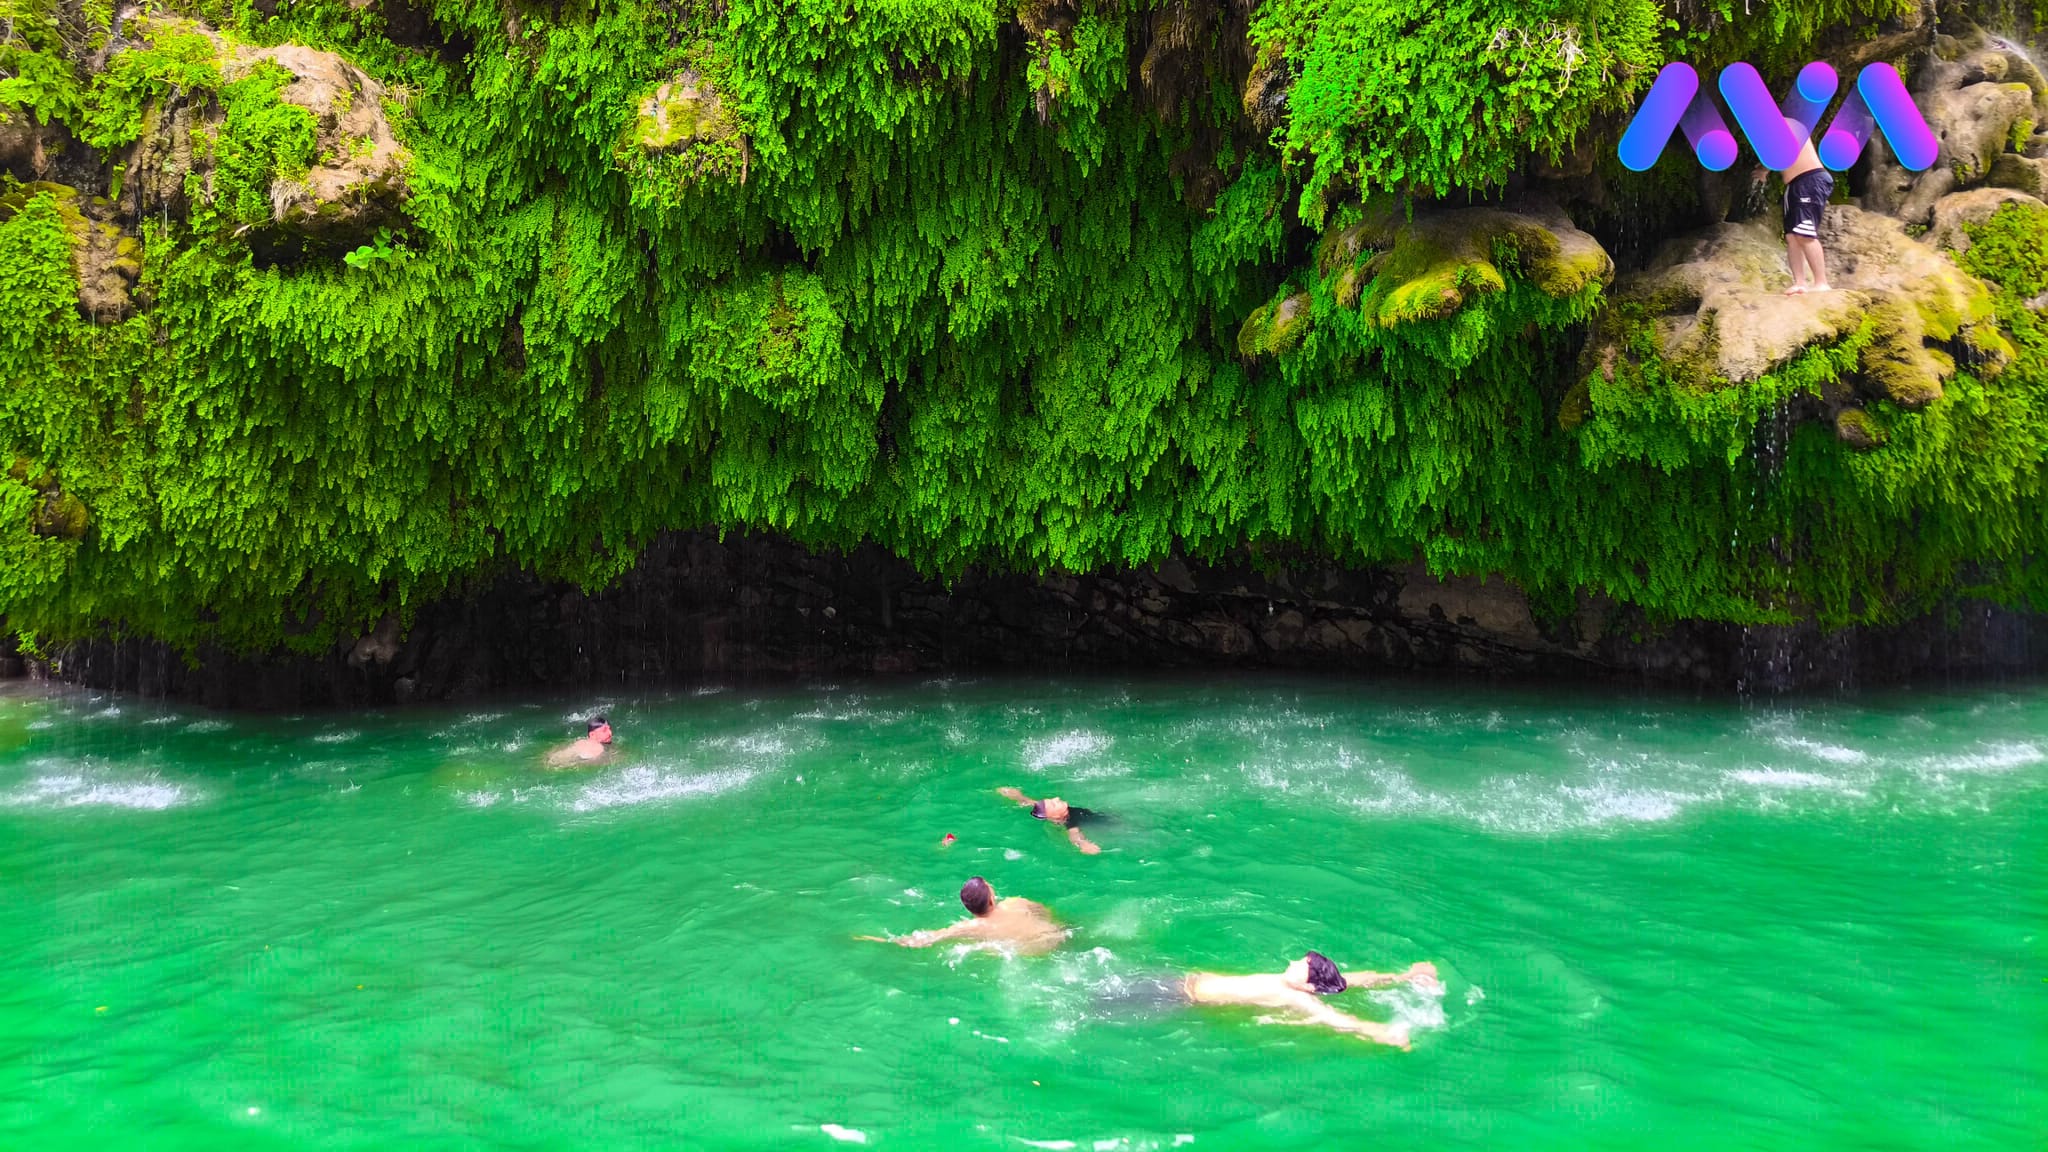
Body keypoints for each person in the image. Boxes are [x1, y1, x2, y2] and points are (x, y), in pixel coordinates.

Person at [1114, 952, 1437, 1049]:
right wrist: (1404, 976)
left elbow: (1338, 1021)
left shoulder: (1297, 998)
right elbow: (1348, 980)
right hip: (1180, 982)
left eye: (1303, 966)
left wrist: (1384, 1033)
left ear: (1309, 987)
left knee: (1101, 1005)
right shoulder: (1298, 984)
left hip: (1177, 998)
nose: (1296, 961)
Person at [858, 876, 1070, 956]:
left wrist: (885, 941)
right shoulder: (1016, 902)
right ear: (991, 900)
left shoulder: (970, 927)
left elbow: (923, 940)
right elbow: (1045, 911)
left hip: (1036, 954)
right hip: (1059, 937)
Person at [1778, 116, 1833, 295]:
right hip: (1795, 185)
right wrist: (1764, 170)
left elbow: (1778, 150)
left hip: (1810, 180)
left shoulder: (1785, 123)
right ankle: (1800, 283)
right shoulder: (1774, 127)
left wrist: (1764, 168)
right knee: (1792, 236)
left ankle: (1821, 282)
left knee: (1804, 232)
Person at [996, 786, 1103, 854]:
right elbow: (1074, 834)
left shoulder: (1048, 811)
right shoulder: (1069, 820)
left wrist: (1017, 796)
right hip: (1104, 822)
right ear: (1056, 816)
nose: (1056, 798)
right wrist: (1083, 844)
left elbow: (1028, 801)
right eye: (1053, 803)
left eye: (1052, 800)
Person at [545, 715, 613, 768]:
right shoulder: (598, 747)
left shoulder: (580, 741)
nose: (610, 733)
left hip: (554, 759)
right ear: (592, 735)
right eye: (604, 730)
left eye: (609, 729)